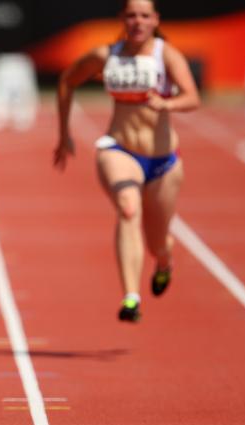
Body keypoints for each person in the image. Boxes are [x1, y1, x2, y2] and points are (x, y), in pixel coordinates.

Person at [53, 0, 199, 322]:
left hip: (163, 161)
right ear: (123, 19)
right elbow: (67, 81)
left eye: (144, 15)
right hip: (119, 149)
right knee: (127, 206)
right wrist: (64, 133)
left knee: (157, 240)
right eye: (131, 15)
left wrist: (167, 104)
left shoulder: (166, 54)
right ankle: (131, 297)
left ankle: (164, 261)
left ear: (155, 19)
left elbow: (193, 96)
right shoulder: (108, 55)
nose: (137, 21)